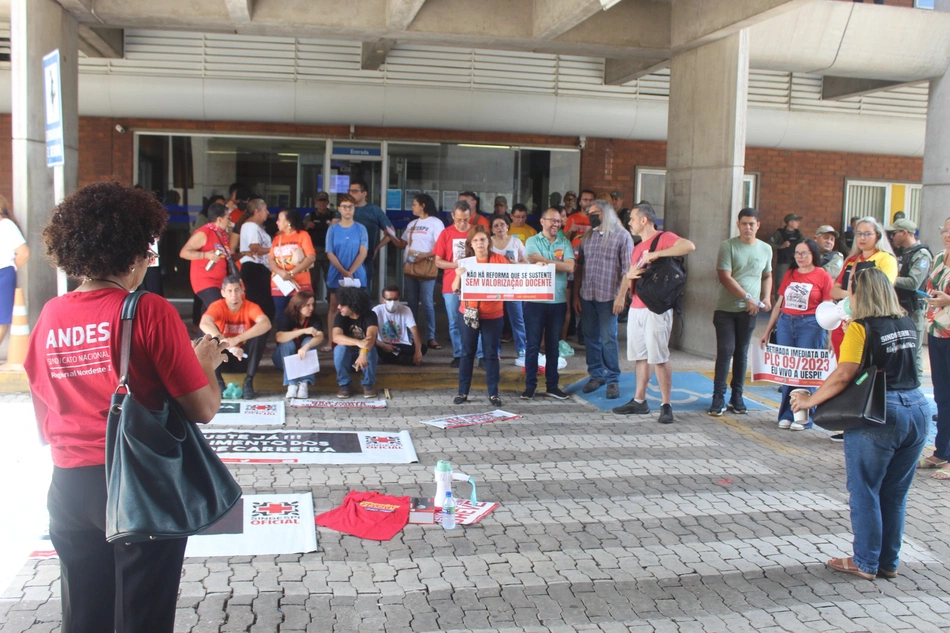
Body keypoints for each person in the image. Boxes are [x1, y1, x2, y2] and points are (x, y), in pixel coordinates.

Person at [24, 181, 227, 633]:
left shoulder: (51, 315)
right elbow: (202, 408)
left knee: (84, 618)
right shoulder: (148, 310)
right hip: (137, 486)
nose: (150, 263)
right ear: (133, 255)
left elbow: (44, 414)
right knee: (142, 619)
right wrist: (206, 363)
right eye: (151, 253)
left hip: (68, 487)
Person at [791, 268, 927, 581]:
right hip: (917, 409)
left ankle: (865, 561)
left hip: (881, 413)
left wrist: (811, 401)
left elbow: (843, 374)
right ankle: (887, 562)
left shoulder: (861, 328)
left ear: (859, 294)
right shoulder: (907, 323)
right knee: (894, 494)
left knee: (865, 490)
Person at [612, 203, 696, 424]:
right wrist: (622, 294)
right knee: (640, 356)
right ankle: (639, 401)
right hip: (637, 308)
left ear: (644, 220)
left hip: (656, 308)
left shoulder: (663, 237)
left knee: (658, 357)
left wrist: (656, 254)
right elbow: (630, 274)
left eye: (631, 218)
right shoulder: (637, 247)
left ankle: (666, 404)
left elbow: (688, 246)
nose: (629, 222)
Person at [759, 238, 833, 430]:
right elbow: (779, 304)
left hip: (811, 325)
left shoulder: (822, 275)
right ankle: (785, 414)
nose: (800, 257)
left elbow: (828, 308)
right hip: (786, 323)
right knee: (788, 372)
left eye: (804, 253)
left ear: (813, 255)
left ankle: (803, 417)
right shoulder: (791, 273)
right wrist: (767, 331)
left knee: (806, 372)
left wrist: (832, 337)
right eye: (797, 253)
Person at [709, 208, 773, 416]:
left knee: (741, 353)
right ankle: (718, 397)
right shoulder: (728, 246)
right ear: (738, 225)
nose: (748, 228)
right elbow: (725, 277)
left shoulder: (765, 249)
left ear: (758, 225)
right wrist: (747, 298)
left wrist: (765, 297)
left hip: (751, 311)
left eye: (751, 224)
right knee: (726, 350)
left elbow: (767, 275)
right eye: (744, 223)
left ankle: (737, 397)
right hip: (726, 309)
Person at [572, 199, 634, 400]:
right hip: (588, 295)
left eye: (595, 212)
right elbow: (580, 267)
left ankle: (613, 379)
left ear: (606, 213)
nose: (591, 216)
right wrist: (576, 295)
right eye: (589, 212)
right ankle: (596, 375)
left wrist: (621, 297)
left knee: (609, 338)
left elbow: (628, 271)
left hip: (609, 297)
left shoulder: (622, 237)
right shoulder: (587, 237)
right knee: (590, 336)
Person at [522, 208, 575, 400]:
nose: (556, 224)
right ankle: (530, 386)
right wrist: (556, 264)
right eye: (552, 221)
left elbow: (570, 266)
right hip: (534, 301)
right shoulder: (532, 241)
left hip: (558, 301)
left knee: (553, 345)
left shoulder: (565, 242)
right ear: (542, 221)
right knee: (533, 345)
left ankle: (552, 386)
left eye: (559, 221)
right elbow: (532, 260)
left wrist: (544, 260)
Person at [451, 226, 509, 406]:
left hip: (493, 314)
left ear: (488, 241)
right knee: (467, 353)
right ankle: (463, 392)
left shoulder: (500, 260)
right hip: (469, 313)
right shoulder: (465, 262)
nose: (479, 244)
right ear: (471, 244)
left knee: (491, 354)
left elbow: (515, 279)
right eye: (475, 240)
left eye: (482, 239)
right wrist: (458, 276)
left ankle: (493, 394)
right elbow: (454, 289)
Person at [830, 217, 897, 357]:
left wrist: (853, 296)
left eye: (867, 234)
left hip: (870, 319)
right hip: (845, 317)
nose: (862, 238)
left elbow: (883, 289)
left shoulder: (886, 259)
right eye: (859, 233)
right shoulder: (851, 260)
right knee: (842, 364)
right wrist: (850, 295)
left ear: (877, 235)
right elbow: (834, 291)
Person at [200, 275, 272, 399]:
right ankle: (218, 381)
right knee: (206, 335)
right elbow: (204, 323)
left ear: (242, 291)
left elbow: (266, 323)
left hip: (243, 357)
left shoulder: (250, 306)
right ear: (223, 293)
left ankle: (249, 381)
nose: (234, 294)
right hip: (222, 358)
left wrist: (236, 340)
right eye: (229, 290)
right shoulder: (217, 306)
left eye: (237, 290)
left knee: (259, 335)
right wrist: (227, 344)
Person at [920, 217, 950, 479]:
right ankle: (942, 452)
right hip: (937, 331)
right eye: (946, 230)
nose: (948, 234)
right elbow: (931, 286)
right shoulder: (940, 257)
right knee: (942, 396)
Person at [889, 218, 932, 377]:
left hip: (913, 309)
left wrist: (888, 278)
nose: (892, 237)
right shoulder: (901, 253)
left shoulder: (921, 255)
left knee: (914, 349)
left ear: (905, 233)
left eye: (895, 233)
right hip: (899, 308)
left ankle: (917, 385)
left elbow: (913, 282)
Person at [402, 193, 444, 351]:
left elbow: (440, 245)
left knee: (427, 303)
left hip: (427, 266)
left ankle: (431, 337)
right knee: (411, 302)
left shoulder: (435, 223)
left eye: (414, 204)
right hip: (411, 266)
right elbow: (403, 242)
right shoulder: (412, 223)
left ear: (423, 205)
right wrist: (389, 236)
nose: (412, 207)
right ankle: (410, 335)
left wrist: (424, 256)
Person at [434, 200, 474, 367]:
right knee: (454, 321)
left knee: (473, 320)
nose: (463, 223)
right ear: (452, 216)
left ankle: (475, 353)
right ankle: (458, 354)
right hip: (451, 284)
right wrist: (457, 265)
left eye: (466, 219)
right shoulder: (446, 233)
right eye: (459, 220)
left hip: (473, 284)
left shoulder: (475, 232)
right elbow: (438, 262)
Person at [347, 180, 405, 294]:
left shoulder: (374, 210)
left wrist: (377, 247)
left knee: (364, 290)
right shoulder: (346, 209)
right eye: (349, 191)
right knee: (346, 291)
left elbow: (391, 231)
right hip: (345, 257)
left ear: (364, 193)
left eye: (354, 191)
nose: (351, 194)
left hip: (366, 257)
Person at [325, 194, 369, 341]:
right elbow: (329, 252)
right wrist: (343, 272)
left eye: (350, 206)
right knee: (334, 307)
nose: (348, 210)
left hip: (357, 275)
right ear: (339, 209)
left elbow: (363, 252)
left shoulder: (361, 228)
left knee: (357, 307)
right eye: (344, 206)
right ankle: (332, 340)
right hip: (336, 274)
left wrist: (350, 271)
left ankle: (358, 339)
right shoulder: (332, 229)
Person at [180, 202, 235, 316]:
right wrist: (205, 255)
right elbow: (184, 253)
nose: (229, 221)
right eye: (228, 218)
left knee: (209, 316)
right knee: (218, 310)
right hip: (205, 280)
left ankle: (203, 334)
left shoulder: (222, 235)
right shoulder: (204, 233)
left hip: (220, 281)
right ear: (219, 219)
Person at [273, 290, 324, 399]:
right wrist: (302, 331)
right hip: (283, 358)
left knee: (309, 341)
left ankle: (304, 383)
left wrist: (306, 346)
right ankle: (292, 384)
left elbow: (320, 336)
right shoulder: (287, 316)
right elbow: (279, 337)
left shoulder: (314, 318)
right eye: (307, 305)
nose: (311, 308)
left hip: (302, 359)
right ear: (298, 305)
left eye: (312, 304)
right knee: (287, 343)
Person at [490, 213, 527, 359]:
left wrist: (515, 264)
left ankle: (522, 349)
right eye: (496, 225)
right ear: (492, 229)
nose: (500, 228)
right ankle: (496, 350)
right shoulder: (488, 242)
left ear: (507, 226)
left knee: (517, 319)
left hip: (513, 286)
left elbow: (526, 262)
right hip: (493, 286)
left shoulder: (516, 242)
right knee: (495, 320)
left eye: (502, 224)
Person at [232, 197, 275, 324]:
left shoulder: (255, 227)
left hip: (259, 269)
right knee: (263, 307)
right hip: (255, 269)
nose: (267, 213)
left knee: (263, 306)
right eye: (265, 209)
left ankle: (257, 340)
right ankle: (255, 340)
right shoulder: (250, 226)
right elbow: (255, 249)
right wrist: (276, 248)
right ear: (257, 211)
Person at [269, 209, 317, 320]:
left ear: (289, 222)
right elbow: (271, 260)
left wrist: (291, 272)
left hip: (300, 282)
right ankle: (283, 336)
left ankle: (299, 337)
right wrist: (281, 273)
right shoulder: (277, 238)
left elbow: (311, 257)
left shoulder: (303, 235)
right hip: (279, 283)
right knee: (281, 315)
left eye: (280, 220)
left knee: (300, 314)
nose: (277, 222)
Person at [332, 286, 379, 398]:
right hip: (348, 353)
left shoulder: (370, 315)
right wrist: (358, 343)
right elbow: (336, 337)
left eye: (342, 304)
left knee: (370, 350)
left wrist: (363, 352)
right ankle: (344, 385)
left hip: (364, 354)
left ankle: (368, 384)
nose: (338, 307)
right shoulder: (340, 316)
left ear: (353, 305)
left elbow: (371, 337)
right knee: (339, 349)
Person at [0, 195, 28, 353]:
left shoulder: (7, 226)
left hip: (3, 273)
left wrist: (10, 268)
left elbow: (23, 252)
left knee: (1, 318)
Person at [372, 285, 426, 365]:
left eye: (395, 299)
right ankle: (400, 359)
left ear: (399, 299)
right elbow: (369, 334)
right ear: (383, 300)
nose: (392, 302)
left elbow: (414, 330)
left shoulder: (406, 310)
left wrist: (418, 351)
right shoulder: (376, 310)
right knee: (372, 347)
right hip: (382, 344)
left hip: (400, 345)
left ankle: (391, 359)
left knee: (423, 348)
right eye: (389, 299)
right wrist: (383, 345)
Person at [304, 190, 336, 323]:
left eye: (324, 201)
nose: (322, 203)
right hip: (314, 253)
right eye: (320, 201)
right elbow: (301, 233)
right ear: (316, 202)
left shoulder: (333, 215)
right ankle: (311, 313)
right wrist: (307, 226)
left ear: (328, 202)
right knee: (312, 284)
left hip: (329, 254)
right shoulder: (310, 216)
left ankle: (332, 313)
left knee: (331, 285)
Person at [769, 213, 803, 303]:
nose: (798, 223)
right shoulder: (779, 233)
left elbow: (804, 244)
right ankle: (778, 305)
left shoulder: (798, 234)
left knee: (796, 283)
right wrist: (781, 246)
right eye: (796, 221)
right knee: (780, 283)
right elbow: (769, 244)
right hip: (783, 261)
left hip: (795, 261)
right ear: (790, 222)